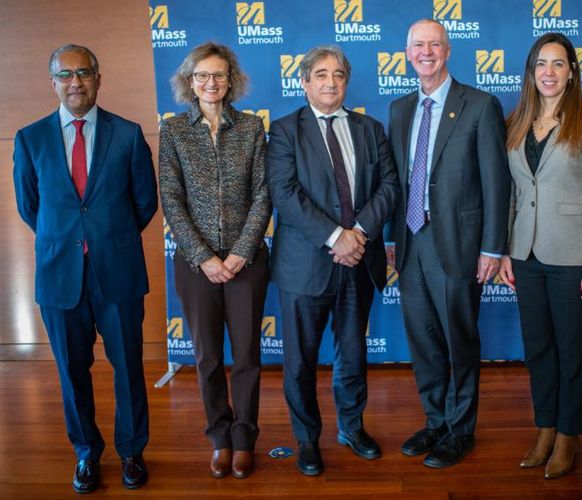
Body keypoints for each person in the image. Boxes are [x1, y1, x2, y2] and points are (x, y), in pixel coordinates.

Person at [13, 44, 157, 493]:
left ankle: (132, 451)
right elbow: (29, 206)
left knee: (128, 366)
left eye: (84, 73)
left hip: (118, 272)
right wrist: (70, 241)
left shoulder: (129, 134)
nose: (75, 82)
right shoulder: (29, 138)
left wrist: (107, 237)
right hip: (60, 276)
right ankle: (86, 454)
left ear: (99, 77)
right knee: (72, 371)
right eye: (65, 74)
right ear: (52, 81)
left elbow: (145, 203)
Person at [265, 45, 399, 476]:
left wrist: (357, 234)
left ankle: (352, 427)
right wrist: (334, 237)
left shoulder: (370, 128)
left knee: (352, 352)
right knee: (300, 361)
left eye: (338, 74)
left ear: (346, 81)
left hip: (358, 260)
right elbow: (285, 194)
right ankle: (306, 439)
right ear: (304, 82)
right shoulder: (285, 131)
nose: (330, 82)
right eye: (320, 74)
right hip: (304, 266)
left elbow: (390, 186)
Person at [388, 19, 510, 468]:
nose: (426, 52)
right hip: (411, 242)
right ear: (407, 53)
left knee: (459, 340)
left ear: (448, 50)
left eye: (434, 45)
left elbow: (497, 184)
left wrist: (493, 248)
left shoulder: (479, 105)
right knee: (423, 340)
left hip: (459, 245)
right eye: (418, 45)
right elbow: (396, 184)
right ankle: (435, 419)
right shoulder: (400, 109)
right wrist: (389, 238)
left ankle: (461, 430)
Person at [498, 32, 582, 479]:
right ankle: (545, 427)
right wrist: (508, 251)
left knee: (574, 350)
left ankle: (569, 435)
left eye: (558, 64)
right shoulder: (516, 122)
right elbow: (512, 193)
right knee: (539, 349)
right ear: (531, 72)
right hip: (525, 255)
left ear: (571, 73)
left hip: (574, 257)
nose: (548, 72)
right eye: (541, 64)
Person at [159, 42, 271, 480]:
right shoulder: (174, 132)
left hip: (248, 261)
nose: (211, 83)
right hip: (195, 265)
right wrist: (205, 256)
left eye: (219, 75)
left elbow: (264, 194)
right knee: (207, 358)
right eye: (202, 75)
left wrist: (241, 252)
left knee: (246, 355)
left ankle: (244, 439)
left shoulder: (251, 128)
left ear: (231, 80)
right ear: (190, 80)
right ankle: (219, 439)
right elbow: (171, 198)